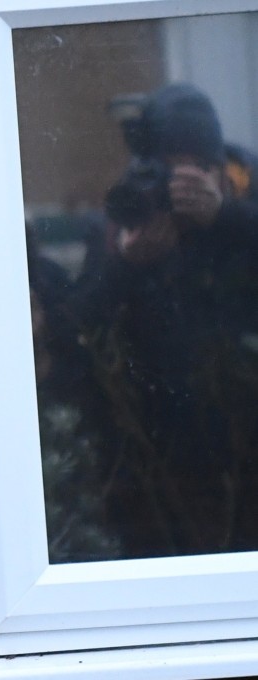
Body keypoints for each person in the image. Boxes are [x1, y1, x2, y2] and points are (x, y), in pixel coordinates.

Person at [68, 82, 258, 558]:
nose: (183, 185)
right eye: (173, 168)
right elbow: (77, 324)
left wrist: (225, 218)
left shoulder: (246, 195)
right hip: (161, 455)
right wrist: (126, 265)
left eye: (200, 167)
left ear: (220, 166)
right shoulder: (132, 209)